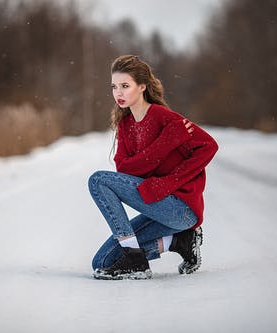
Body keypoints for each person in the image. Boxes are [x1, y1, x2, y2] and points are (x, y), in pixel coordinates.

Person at [88, 55, 218, 280]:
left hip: (181, 210)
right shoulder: (126, 124)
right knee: (102, 262)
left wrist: (168, 183)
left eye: (125, 86)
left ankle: (131, 255)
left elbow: (209, 146)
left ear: (142, 86)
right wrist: (163, 145)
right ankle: (178, 242)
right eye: (114, 87)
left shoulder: (163, 117)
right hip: (157, 206)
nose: (118, 93)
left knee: (98, 180)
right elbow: (125, 171)